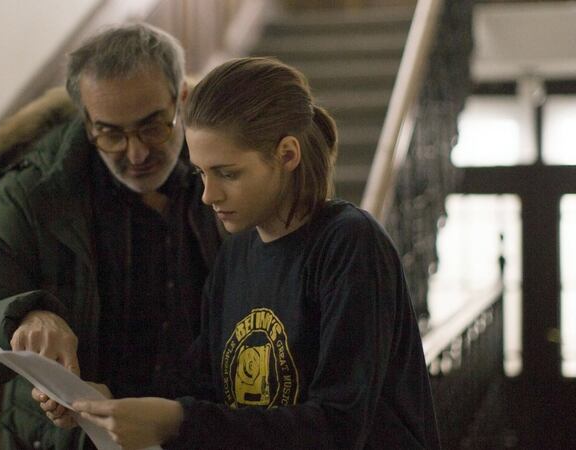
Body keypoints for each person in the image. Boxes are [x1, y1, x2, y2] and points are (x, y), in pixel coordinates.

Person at [69, 57, 441, 449]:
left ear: (287, 154)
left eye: (227, 173)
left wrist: (180, 421)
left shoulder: (350, 243)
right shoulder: (235, 256)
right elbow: (201, 388)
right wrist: (107, 402)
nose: (209, 195)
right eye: (201, 173)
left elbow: (338, 426)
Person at [0, 23, 221, 450]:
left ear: (182, 98)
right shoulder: (33, 195)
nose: (136, 153)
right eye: (111, 133)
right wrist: (20, 320)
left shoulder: (224, 173)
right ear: (85, 121)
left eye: (152, 126)